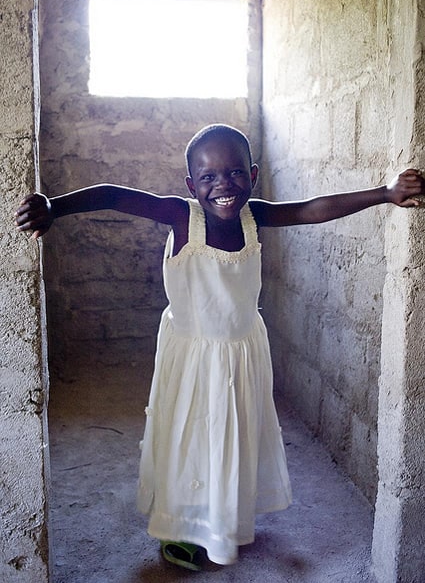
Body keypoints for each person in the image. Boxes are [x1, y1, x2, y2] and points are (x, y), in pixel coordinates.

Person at [15, 124, 425, 571]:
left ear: (251, 174)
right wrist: (54, 206)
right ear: (191, 185)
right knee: (190, 439)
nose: (222, 186)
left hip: (242, 350)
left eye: (233, 173)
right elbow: (114, 195)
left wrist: (384, 193)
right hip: (193, 356)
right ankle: (180, 530)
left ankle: (222, 520)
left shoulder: (254, 215)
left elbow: (310, 210)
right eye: (208, 177)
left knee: (233, 436)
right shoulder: (180, 216)